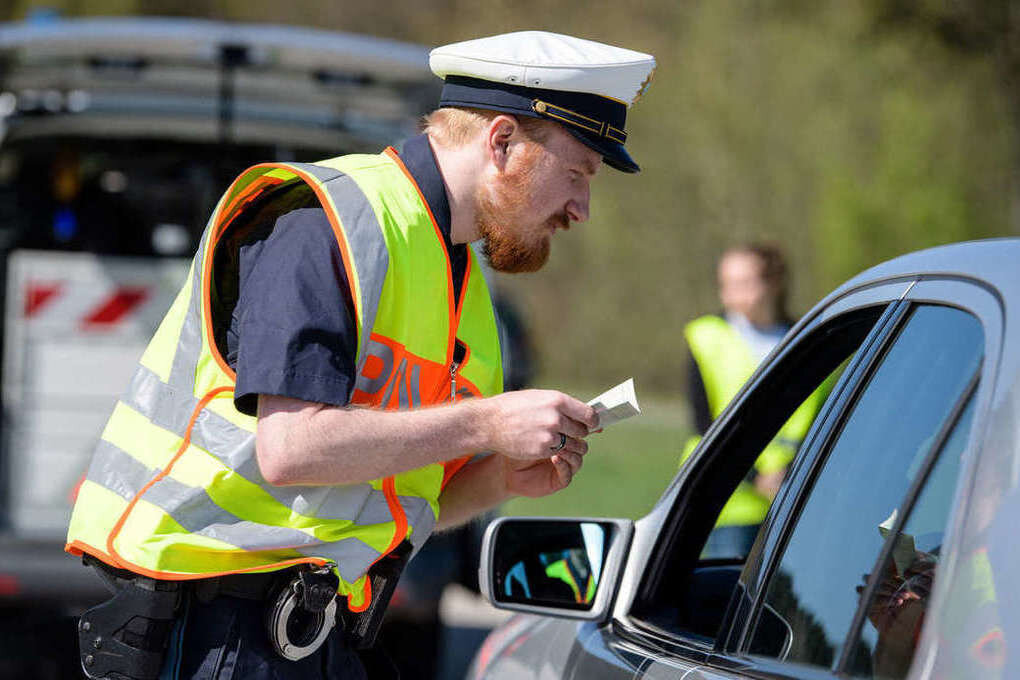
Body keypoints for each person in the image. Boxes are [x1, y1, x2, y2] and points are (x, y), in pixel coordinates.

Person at [65, 31, 655, 680]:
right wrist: (487, 424)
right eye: (577, 173)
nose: (582, 208)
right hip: (209, 635)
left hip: (308, 635)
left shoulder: (459, 279)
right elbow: (289, 450)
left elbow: (382, 498)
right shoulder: (327, 218)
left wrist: (499, 478)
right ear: (503, 142)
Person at [681, 243, 829, 557]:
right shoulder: (705, 336)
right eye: (726, 284)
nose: (730, 294)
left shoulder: (812, 339)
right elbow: (702, 423)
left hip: (794, 496)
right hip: (728, 499)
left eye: (743, 283)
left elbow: (824, 418)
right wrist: (756, 478)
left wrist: (789, 471)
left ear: (773, 283)